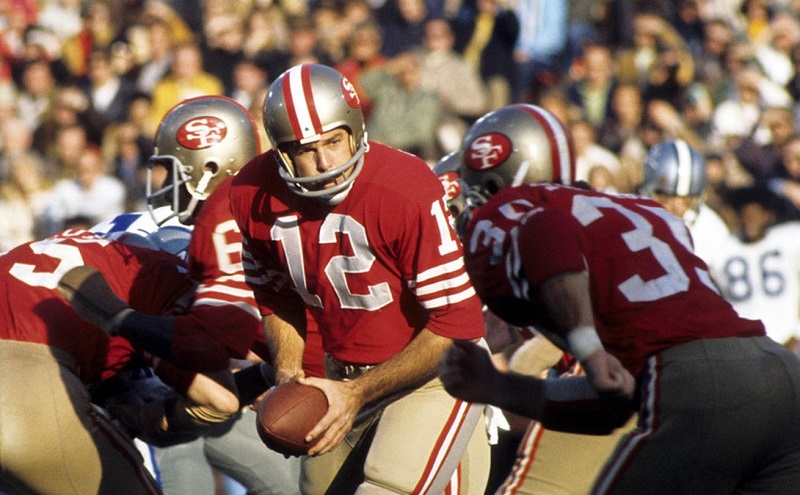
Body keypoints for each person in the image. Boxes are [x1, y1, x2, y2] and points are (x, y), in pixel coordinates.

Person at [438, 107, 800, 494]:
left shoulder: (512, 211)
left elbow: (544, 230)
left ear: (493, 181)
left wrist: (589, 350)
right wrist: (497, 387)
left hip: (694, 380)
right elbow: (610, 406)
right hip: (778, 370)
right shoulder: (639, 209)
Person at [229, 63, 491, 495]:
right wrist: (289, 371)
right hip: (340, 374)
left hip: (430, 374)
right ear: (280, 152)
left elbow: (455, 326)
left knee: (386, 488)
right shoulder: (252, 194)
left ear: (355, 131)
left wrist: (357, 394)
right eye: (306, 149)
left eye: (334, 141)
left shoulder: (403, 187)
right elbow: (278, 297)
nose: (325, 162)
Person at [87, 95, 306, 494]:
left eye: (173, 170)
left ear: (209, 169)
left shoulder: (224, 231)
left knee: (289, 483)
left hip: (200, 384)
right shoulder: (164, 234)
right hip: (137, 385)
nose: (162, 184)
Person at [433, 104, 636, 495]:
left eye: (479, 192)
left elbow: (552, 330)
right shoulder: (590, 210)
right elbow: (491, 331)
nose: (467, 217)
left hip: (621, 377)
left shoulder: (544, 232)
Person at [0, 225, 218, 494]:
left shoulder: (83, 244)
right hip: (22, 378)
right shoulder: (164, 279)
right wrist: (151, 417)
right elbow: (212, 398)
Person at [711, 185, 800, 351]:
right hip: (745, 346)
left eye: (755, 214)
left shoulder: (789, 240)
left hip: (788, 341)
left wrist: (797, 330)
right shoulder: (722, 249)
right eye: (745, 215)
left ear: (768, 216)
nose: (749, 220)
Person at [638, 139, 731, 272]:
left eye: (686, 200)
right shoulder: (630, 221)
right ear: (649, 191)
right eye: (666, 198)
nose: (677, 207)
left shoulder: (712, 230)